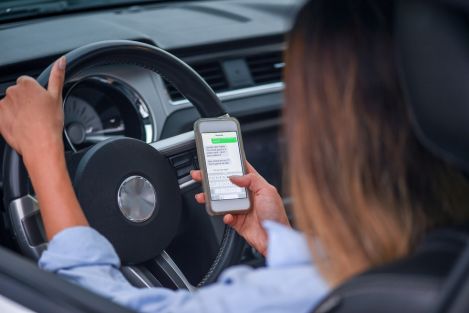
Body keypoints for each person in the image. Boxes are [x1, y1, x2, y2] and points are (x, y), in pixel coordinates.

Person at [1, 0, 469, 312]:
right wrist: (275, 237)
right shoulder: (440, 264)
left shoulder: (285, 299)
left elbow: (90, 300)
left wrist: (44, 154)